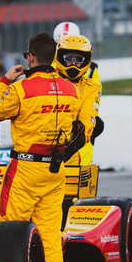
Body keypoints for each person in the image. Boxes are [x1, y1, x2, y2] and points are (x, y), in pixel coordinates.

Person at [0, 32, 80, 262]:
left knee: (8, 232)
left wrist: (4, 81)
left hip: (26, 169)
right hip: (55, 169)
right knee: (50, 236)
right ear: (53, 57)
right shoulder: (71, 89)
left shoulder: (21, 89)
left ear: (30, 57)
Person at [55, 35, 102, 165]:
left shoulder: (92, 86)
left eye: (79, 59)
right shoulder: (48, 79)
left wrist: (72, 147)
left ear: (86, 60)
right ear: (60, 57)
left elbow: (88, 117)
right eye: (69, 59)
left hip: (75, 153)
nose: (74, 64)